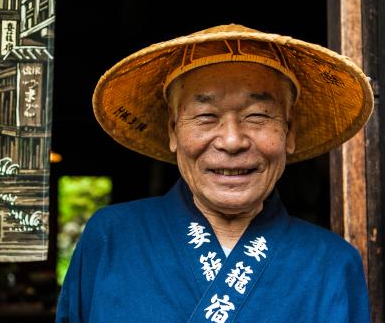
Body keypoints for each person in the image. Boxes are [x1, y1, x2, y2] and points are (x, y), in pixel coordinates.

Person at [56, 24, 372, 322]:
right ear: (173, 131)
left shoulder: (331, 263)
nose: (232, 141)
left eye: (258, 116)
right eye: (206, 116)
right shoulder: (113, 237)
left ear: (288, 133)